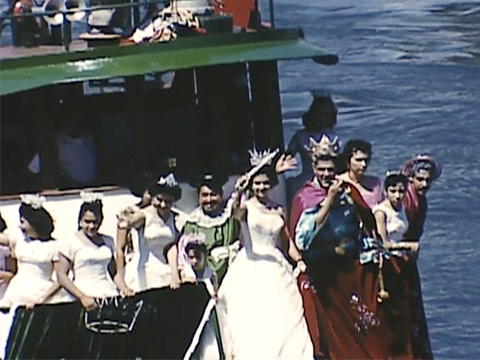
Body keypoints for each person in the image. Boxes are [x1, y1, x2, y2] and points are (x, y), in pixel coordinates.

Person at [291, 137, 393, 359]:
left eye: (330, 169)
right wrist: (329, 201)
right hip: (323, 270)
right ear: (315, 169)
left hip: (350, 264)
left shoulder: (348, 193)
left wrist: (375, 252)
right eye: (322, 170)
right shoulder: (306, 197)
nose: (327, 174)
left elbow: (364, 226)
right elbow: (303, 240)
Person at [218, 149, 313, 360]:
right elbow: (234, 212)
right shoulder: (246, 207)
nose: (261, 187)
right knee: (257, 315)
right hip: (252, 262)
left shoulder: (278, 208)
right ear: (252, 185)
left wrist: (299, 260)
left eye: (265, 183)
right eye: (257, 183)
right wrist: (238, 191)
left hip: (276, 264)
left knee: (284, 315)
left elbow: (286, 241)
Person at [0, 195, 66, 359]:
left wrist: (42, 299)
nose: (20, 226)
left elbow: (60, 278)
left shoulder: (54, 246)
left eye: (23, 222)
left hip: (40, 298)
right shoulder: (19, 240)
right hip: (16, 294)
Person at [115, 173, 182, 293]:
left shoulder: (173, 217)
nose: (163, 205)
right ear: (153, 197)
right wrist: (126, 221)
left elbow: (171, 247)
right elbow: (130, 222)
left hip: (165, 270)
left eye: (167, 201)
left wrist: (175, 274)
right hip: (144, 270)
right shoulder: (144, 214)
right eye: (159, 200)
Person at [286, 94, 339, 201]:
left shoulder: (335, 136)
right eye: (321, 113)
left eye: (328, 113)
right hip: (306, 179)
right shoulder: (301, 136)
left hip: (328, 178)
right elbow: (288, 156)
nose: (324, 117)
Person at [402, 154, 442, 240]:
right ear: (411, 178)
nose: (424, 184)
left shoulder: (422, 201)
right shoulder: (404, 198)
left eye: (428, 180)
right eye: (420, 179)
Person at [337, 139, 383, 208]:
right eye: (359, 160)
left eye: (366, 160)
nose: (363, 164)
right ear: (347, 161)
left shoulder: (375, 183)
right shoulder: (338, 182)